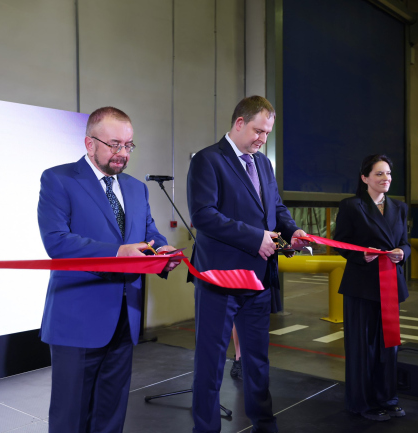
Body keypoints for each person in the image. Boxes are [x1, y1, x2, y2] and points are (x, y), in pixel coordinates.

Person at [37, 107, 179, 433]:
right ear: (90, 143)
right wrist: (117, 252)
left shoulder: (136, 188)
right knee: (70, 418)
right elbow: (57, 242)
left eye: (129, 145)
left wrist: (161, 252)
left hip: (125, 319)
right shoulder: (58, 180)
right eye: (115, 144)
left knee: (111, 415)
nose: (123, 153)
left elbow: (149, 234)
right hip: (78, 321)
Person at [187, 95, 308, 433]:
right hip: (219, 279)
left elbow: (276, 208)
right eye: (258, 131)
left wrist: (292, 231)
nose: (262, 139)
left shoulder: (263, 163)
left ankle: (264, 425)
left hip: (258, 278)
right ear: (239, 123)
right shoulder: (208, 160)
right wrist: (256, 238)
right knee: (210, 363)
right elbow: (204, 215)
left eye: (267, 133)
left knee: (257, 361)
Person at [333, 154, 410, 422]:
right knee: (362, 348)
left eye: (388, 173)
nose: (386, 178)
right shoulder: (351, 206)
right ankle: (362, 402)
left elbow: (405, 241)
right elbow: (340, 241)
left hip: (390, 283)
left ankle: (387, 398)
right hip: (362, 286)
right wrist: (360, 255)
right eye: (379, 173)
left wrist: (403, 252)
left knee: (389, 346)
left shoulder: (399, 207)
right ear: (365, 178)